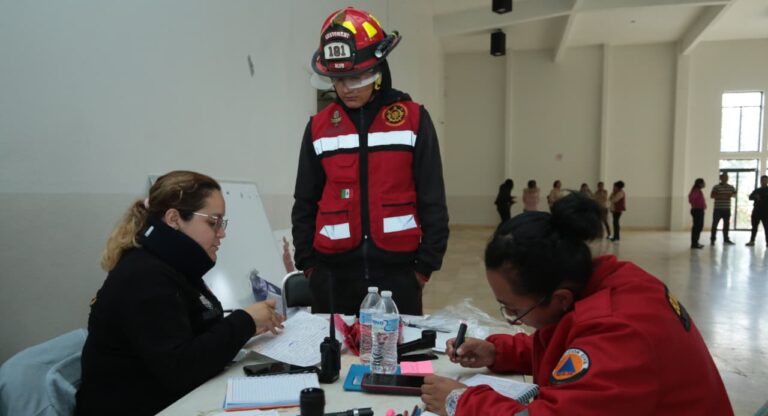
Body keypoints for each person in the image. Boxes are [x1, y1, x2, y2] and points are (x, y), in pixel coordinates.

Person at [420, 193, 734, 416]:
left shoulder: (620, 331)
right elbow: (576, 347)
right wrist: (498, 352)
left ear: (560, 298)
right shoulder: (609, 282)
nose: (512, 318)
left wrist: (461, 402)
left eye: (514, 310)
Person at [76, 171, 285, 416]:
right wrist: (245, 321)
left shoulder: (176, 267)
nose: (221, 233)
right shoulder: (144, 277)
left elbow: (199, 333)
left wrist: (247, 328)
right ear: (174, 219)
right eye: (213, 222)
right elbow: (181, 369)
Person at [292, 7, 449, 315]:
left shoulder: (413, 119)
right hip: (331, 276)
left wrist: (425, 266)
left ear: (378, 69)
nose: (345, 88)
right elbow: (305, 201)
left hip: (399, 275)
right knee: (332, 348)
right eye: (338, 79)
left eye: (356, 77)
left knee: (398, 347)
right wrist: (308, 264)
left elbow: (433, 197)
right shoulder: (318, 127)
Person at [710, 172, 737, 245]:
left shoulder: (731, 187)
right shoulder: (716, 187)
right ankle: (712, 239)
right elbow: (712, 196)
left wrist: (722, 195)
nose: (725, 178)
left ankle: (726, 239)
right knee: (714, 225)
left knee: (726, 226)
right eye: (724, 177)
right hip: (718, 209)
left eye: (726, 177)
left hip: (727, 209)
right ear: (720, 178)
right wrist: (724, 196)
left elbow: (734, 195)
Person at [746, 175, 768, 246]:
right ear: (760, 181)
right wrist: (755, 197)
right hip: (756, 211)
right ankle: (752, 241)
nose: (764, 181)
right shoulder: (757, 190)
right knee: (754, 227)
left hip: (766, 212)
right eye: (763, 180)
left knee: (767, 228)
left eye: (765, 180)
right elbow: (750, 197)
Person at [688, 178, 706, 249]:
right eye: (703, 183)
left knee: (699, 226)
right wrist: (694, 205)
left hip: (699, 210)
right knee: (697, 227)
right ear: (699, 184)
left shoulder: (698, 190)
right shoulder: (696, 190)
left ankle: (696, 242)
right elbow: (691, 199)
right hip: (697, 210)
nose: (704, 184)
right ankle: (694, 243)